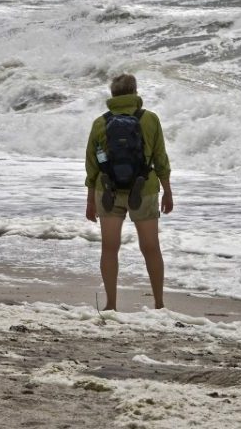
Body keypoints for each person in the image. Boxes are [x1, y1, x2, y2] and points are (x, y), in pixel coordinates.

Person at [85, 74, 172, 310]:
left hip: (107, 190)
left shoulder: (100, 123)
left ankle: (111, 304)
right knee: (151, 247)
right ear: (135, 92)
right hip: (143, 189)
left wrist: (90, 199)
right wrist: (167, 190)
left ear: (112, 95)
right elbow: (160, 158)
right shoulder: (150, 119)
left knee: (109, 248)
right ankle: (159, 304)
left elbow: (92, 164)